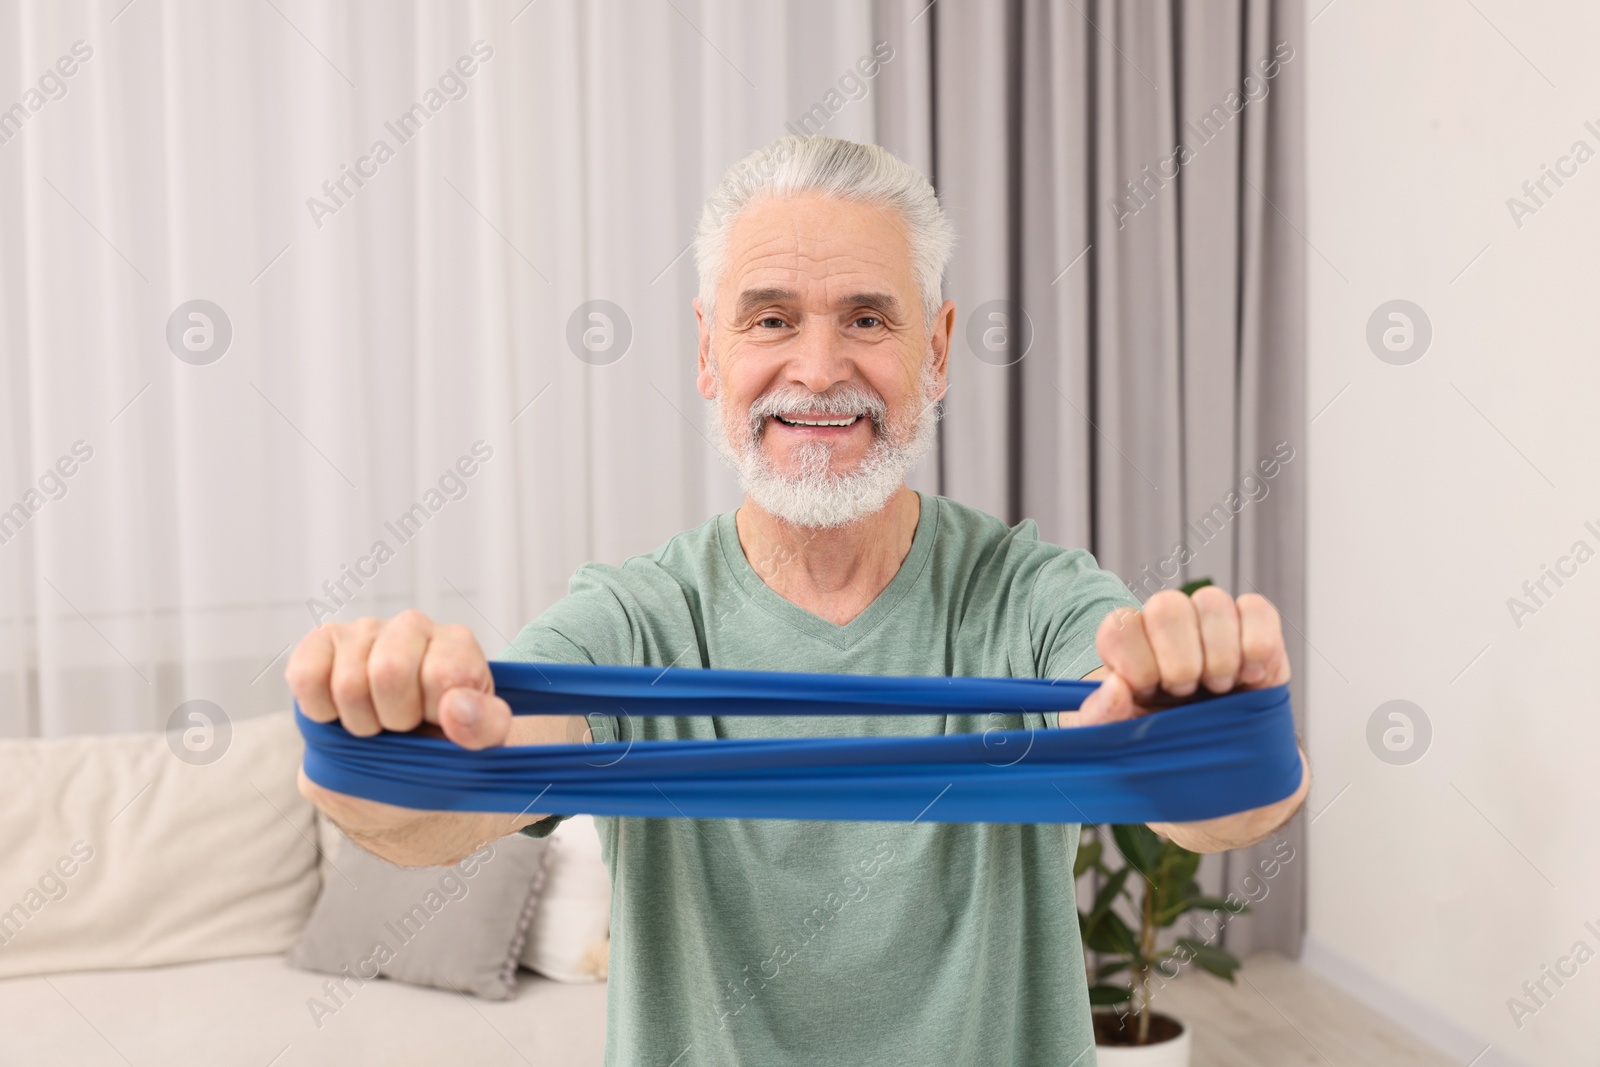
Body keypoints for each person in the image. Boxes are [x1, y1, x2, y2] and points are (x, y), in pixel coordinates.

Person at [289, 134, 1310, 1066]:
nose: (818, 370)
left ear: (938, 348)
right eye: (770, 319)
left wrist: (1203, 718)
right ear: (707, 352)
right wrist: (369, 746)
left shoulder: (1024, 592)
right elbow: (438, 806)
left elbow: (1222, 807)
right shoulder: (637, 619)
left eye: (867, 319)